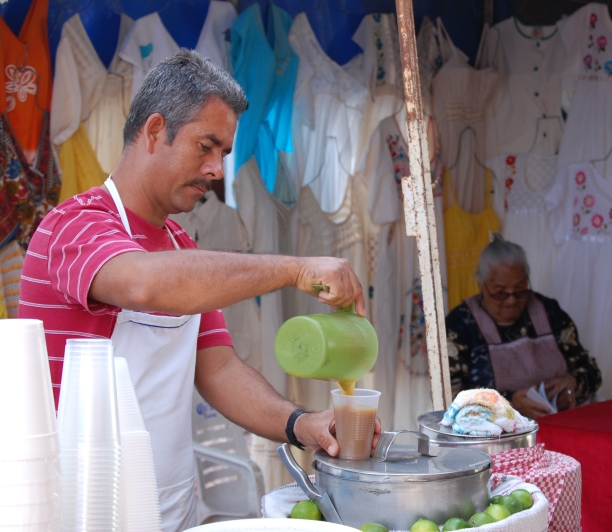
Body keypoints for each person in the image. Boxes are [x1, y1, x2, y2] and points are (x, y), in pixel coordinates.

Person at [19, 50, 379, 532]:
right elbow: (144, 283)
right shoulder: (75, 225)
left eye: (225, 154)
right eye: (205, 147)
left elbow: (220, 368)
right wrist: (295, 269)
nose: (216, 170)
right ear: (153, 131)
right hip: (86, 509)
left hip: (169, 506)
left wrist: (301, 424)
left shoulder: (179, 244)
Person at [446, 235, 601, 418]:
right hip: (495, 439)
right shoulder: (460, 325)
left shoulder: (549, 311)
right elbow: (452, 396)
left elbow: (592, 373)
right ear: (481, 285)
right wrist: (508, 405)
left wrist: (571, 384)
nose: (511, 300)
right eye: (500, 293)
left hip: (560, 423)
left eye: (520, 290)